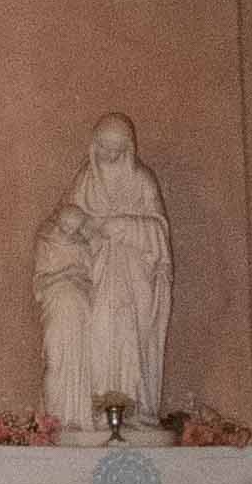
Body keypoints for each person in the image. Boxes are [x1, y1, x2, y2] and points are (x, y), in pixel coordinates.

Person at [36, 112, 175, 434]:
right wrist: (87, 231)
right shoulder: (85, 179)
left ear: (128, 149)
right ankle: (100, 409)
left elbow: (159, 230)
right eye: (103, 148)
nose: (109, 155)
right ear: (93, 146)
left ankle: (135, 407)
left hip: (135, 278)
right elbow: (66, 224)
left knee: (130, 337)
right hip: (96, 274)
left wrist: (123, 227)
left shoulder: (142, 180)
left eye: (116, 150)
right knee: (99, 332)